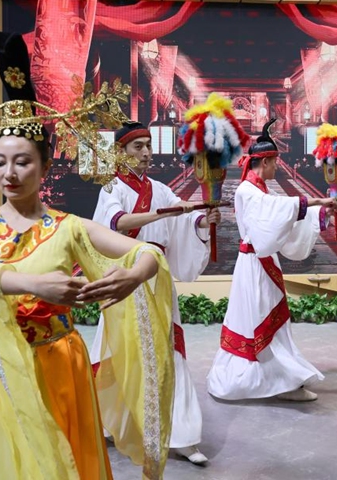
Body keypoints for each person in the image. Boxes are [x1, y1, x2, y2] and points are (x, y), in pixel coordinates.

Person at [0, 111, 176, 479]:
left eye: (22, 162)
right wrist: (32, 284)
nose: (10, 173)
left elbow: (148, 253)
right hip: (7, 362)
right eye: (0, 162)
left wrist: (133, 276)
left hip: (63, 362)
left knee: (68, 457)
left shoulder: (69, 228)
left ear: (45, 165)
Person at [91, 121, 217, 465]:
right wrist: (168, 212)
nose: (146, 152)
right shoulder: (111, 188)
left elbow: (183, 221)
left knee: (167, 352)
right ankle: (111, 420)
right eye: (137, 147)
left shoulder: (160, 189)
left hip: (157, 278)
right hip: (125, 276)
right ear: (121, 152)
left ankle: (182, 434)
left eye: (148, 145)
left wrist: (204, 221)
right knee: (120, 351)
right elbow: (115, 224)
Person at [207, 119, 336, 402]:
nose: (277, 167)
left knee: (273, 321)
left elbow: (281, 214)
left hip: (264, 264)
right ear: (263, 162)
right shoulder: (246, 191)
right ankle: (262, 379)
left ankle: (283, 379)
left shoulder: (261, 189)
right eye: (275, 162)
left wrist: (316, 211)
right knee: (255, 319)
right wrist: (315, 204)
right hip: (253, 266)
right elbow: (280, 210)